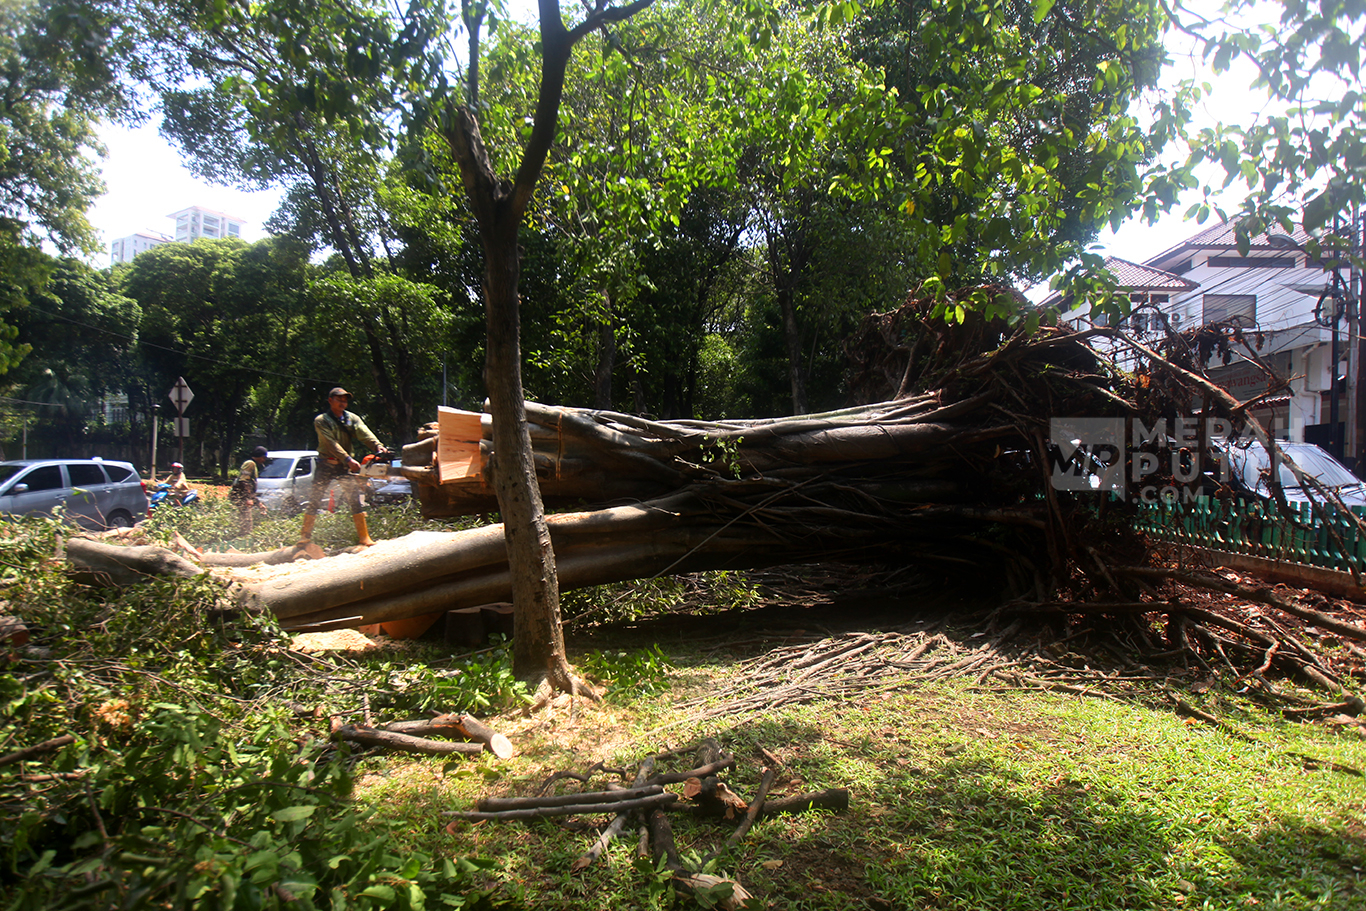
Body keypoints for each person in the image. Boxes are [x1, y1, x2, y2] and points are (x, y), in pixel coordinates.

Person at [298, 387, 390, 547]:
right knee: (315, 499)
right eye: (339, 399)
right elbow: (331, 443)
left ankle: (364, 537)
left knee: (354, 499)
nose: (342, 402)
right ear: (330, 400)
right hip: (326, 464)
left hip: (343, 467)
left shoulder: (352, 418)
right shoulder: (322, 420)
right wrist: (348, 459)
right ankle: (304, 538)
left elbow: (364, 432)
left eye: (345, 400)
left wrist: (378, 446)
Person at [229, 446, 269, 534]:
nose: (264, 460)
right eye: (264, 458)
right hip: (241, 497)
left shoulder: (253, 465)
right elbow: (244, 481)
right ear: (261, 457)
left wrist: (258, 503)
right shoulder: (250, 464)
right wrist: (248, 499)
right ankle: (244, 538)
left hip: (244, 496)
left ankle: (244, 535)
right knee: (246, 521)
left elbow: (249, 488)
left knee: (247, 520)